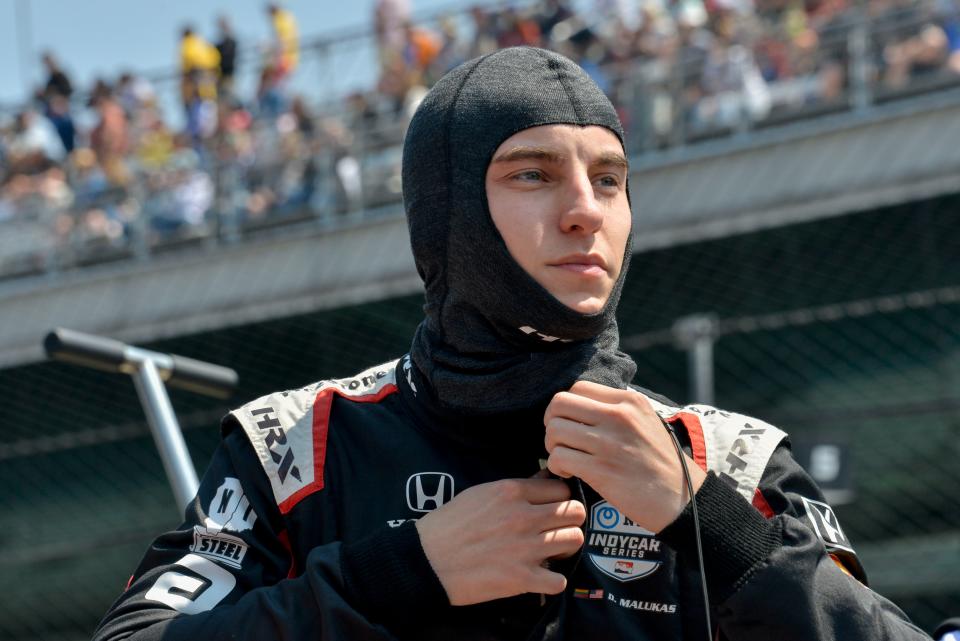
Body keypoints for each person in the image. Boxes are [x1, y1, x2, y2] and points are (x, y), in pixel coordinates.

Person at [92, 47, 931, 641]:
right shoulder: (298, 449)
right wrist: (399, 576)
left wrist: (707, 521)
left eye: (609, 179)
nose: (584, 210)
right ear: (447, 212)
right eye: (533, 173)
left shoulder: (729, 460)